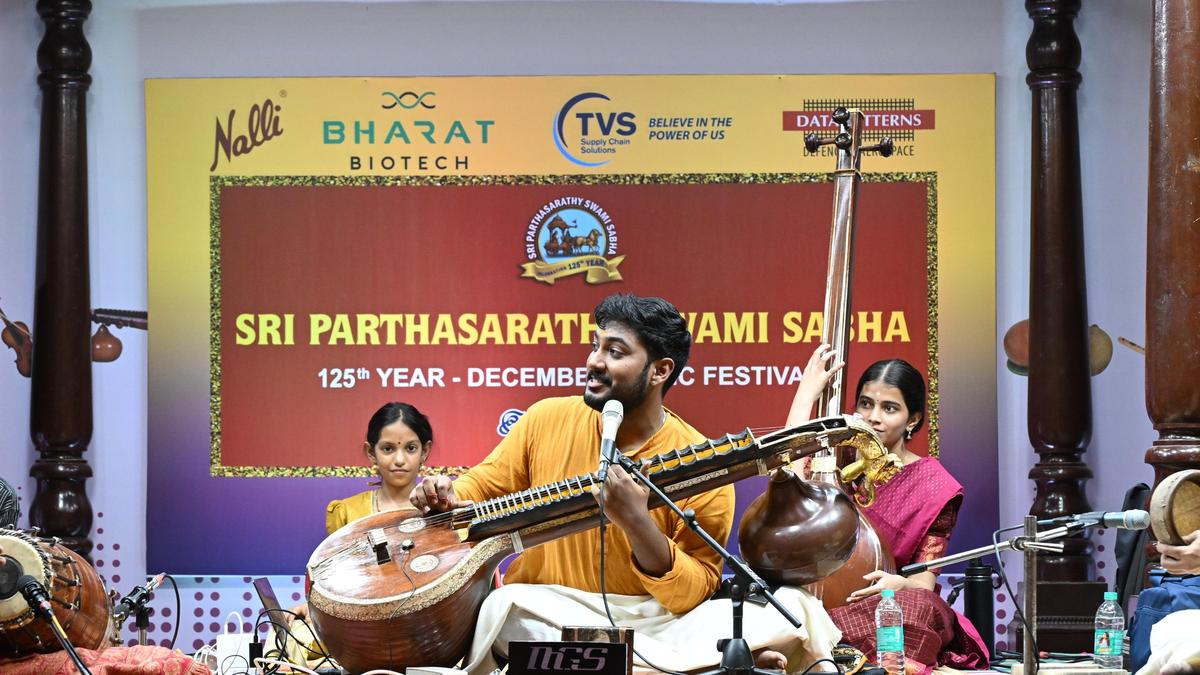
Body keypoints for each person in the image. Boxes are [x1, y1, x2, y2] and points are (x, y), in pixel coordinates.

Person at [412, 293, 839, 675]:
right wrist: (448, 494)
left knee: (797, 609)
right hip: (551, 609)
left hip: (656, 623)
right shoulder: (545, 419)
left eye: (615, 352)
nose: (594, 361)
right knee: (504, 609)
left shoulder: (700, 462)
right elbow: (482, 485)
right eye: (595, 345)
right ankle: (700, 667)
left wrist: (637, 523)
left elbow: (693, 593)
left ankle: (650, 665)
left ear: (660, 371)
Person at [783, 345, 989, 675]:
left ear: (913, 419)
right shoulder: (834, 459)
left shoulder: (934, 486)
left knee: (920, 607)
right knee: (778, 602)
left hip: (884, 602)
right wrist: (806, 395)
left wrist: (896, 584)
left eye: (889, 408)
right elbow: (787, 478)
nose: (873, 417)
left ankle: (852, 656)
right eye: (866, 404)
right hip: (821, 596)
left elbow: (923, 582)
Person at [325, 401, 433, 533]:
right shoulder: (347, 513)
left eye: (411, 448)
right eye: (388, 449)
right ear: (371, 452)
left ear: (424, 451)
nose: (399, 460)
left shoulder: (440, 507)